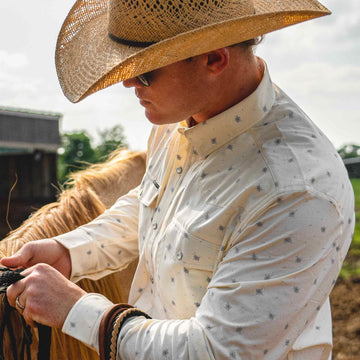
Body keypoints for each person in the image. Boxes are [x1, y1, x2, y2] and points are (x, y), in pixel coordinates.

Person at [1, 0, 355, 359]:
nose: (127, 81)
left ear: (214, 59)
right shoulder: (180, 123)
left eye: (145, 71)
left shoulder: (294, 190)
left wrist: (76, 311)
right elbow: (149, 205)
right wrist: (69, 252)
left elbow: (215, 351)